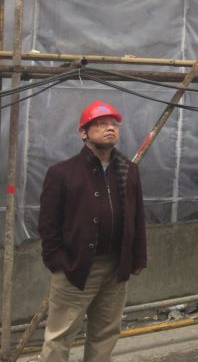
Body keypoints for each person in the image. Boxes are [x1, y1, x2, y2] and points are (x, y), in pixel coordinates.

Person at [38, 100, 147, 362]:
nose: (110, 128)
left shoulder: (128, 170)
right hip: (76, 265)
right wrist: (58, 262)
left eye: (113, 124)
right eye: (100, 124)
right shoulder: (62, 173)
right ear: (83, 133)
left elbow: (137, 216)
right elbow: (48, 223)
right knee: (60, 335)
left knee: (106, 332)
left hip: (116, 265)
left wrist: (137, 257)